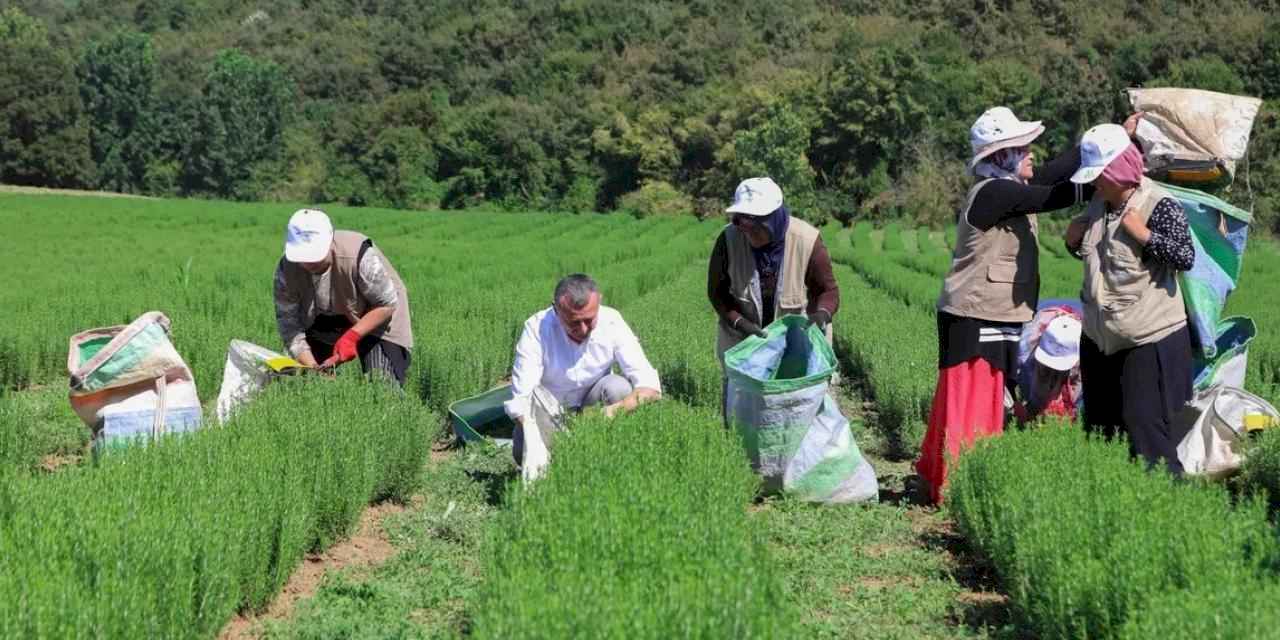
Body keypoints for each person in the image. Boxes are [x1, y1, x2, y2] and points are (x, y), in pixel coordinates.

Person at [916, 106, 1114, 504]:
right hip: (973, 315)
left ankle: (953, 483)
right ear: (1001, 156)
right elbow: (1054, 194)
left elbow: (1052, 172)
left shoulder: (1007, 186)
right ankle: (959, 488)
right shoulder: (995, 192)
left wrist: (1094, 144)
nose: (1031, 154)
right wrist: (1108, 172)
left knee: (988, 399)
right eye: (1023, 148)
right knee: (972, 402)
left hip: (993, 312)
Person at [1064, 123, 1195, 475]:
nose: (1094, 183)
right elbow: (1101, 260)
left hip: (1148, 338)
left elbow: (1185, 257)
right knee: (1102, 434)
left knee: (1146, 432)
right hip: (1099, 338)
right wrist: (1072, 241)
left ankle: (1167, 510)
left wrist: (1146, 235)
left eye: (1100, 175)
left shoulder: (1159, 204)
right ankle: (1113, 508)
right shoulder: (1098, 203)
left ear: (1120, 170)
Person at [503, 274, 661, 458]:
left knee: (618, 388)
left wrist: (611, 411)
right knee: (524, 451)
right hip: (551, 412)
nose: (584, 329)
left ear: (599, 303)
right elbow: (522, 398)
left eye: (589, 320)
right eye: (574, 322)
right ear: (556, 309)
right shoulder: (536, 328)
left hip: (593, 406)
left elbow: (650, 387)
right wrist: (535, 435)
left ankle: (607, 455)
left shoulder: (612, 321)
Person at [273, 208, 413, 386]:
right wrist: (313, 368)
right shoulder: (286, 271)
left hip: (378, 314)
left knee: (383, 387)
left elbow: (386, 303)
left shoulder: (358, 255)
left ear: (330, 240)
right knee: (300, 383)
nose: (308, 262)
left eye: (314, 255)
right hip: (323, 317)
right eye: (302, 256)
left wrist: (351, 337)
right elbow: (289, 327)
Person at [707, 176, 839, 362]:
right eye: (741, 222)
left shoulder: (807, 240)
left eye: (755, 225)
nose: (747, 232)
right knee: (742, 389)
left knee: (796, 389)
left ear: (774, 218)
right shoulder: (728, 240)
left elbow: (828, 290)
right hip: (742, 339)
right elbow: (717, 291)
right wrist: (740, 322)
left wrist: (821, 315)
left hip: (795, 338)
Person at [1014, 306, 1084, 422]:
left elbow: (1079, 383)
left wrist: (1068, 405)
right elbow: (1024, 377)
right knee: (1038, 383)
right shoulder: (1025, 348)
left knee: (1065, 392)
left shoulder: (1086, 352)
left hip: (1075, 354)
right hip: (1035, 349)